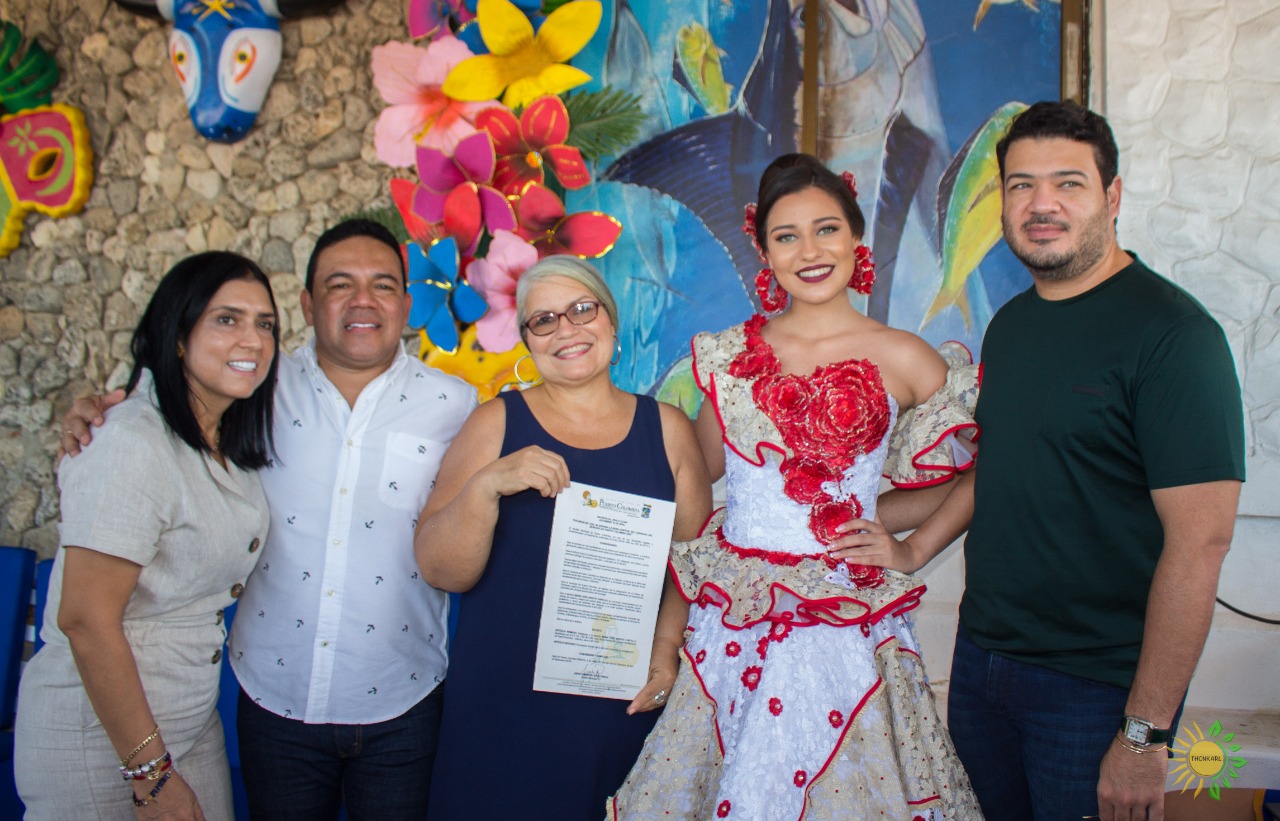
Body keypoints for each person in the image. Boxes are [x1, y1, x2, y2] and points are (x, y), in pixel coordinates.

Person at [848, 101, 1246, 821]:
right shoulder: (1013, 324)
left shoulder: (1174, 337)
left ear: (1112, 196)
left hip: (1096, 686)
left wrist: (1144, 732)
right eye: (1021, 185)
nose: (1041, 204)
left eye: (1068, 183)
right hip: (983, 662)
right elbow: (994, 470)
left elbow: (1202, 544)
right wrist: (896, 541)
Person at [59, 219, 478, 820]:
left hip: (404, 700)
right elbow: (163, 415)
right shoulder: (254, 384)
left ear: (407, 304)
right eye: (340, 284)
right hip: (273, 698)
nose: (363, 300)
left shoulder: (457, 404)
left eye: (383, 285)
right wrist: (93, 413)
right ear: (307, 304)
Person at [609, 153, 982, 820]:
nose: (809, 251)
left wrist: (909, 546)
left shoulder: (905, 355)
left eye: (827, 229)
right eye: (787, 235)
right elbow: (690, 482)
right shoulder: (729, 356)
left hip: (847, 627)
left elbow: (984, 469)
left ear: (856, 236)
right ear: (763, 249)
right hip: (734, 622)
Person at [415, 256, 712, 821]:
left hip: (618, 701)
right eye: (544, 320)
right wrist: (487, 487)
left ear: (611, 319)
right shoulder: (494, 424)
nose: (567, 329)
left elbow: (690, 565)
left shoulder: (669, 429)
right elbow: (440, 569)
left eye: (582, 309)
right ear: (526, 339)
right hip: (503, 705)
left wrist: (666, 651)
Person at [18, 251, 280, 819]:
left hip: (187, 720)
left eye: (265, 323)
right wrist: (151, 778)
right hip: (104, 736)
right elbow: (85, 618)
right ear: (178, 335)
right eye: (227, 319)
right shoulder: (130, 443)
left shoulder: (223, 436)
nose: (254, 339)